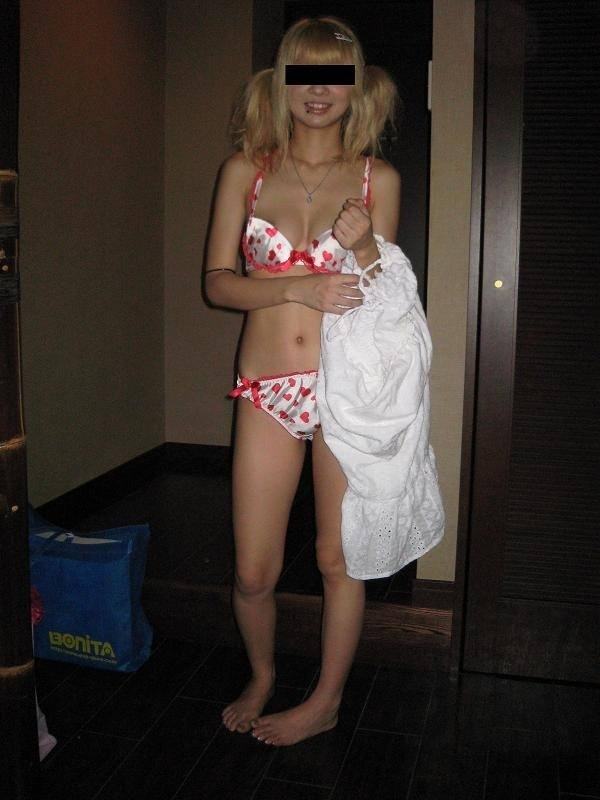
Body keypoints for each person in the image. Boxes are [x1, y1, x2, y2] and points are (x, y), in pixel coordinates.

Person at [204, 15, 401, 747]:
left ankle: (325, 701)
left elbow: (387, 297)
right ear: (281, 82)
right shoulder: (245, 171)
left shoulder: (378, 179)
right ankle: (261, 676)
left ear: (356, 88)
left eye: (334, 75)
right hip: (267, 390)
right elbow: (217, 283)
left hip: (345, 391)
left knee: (335, 558)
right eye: (303, 73)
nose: (318, 90)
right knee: (253, 572)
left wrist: (368, 244)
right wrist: (299, 287)